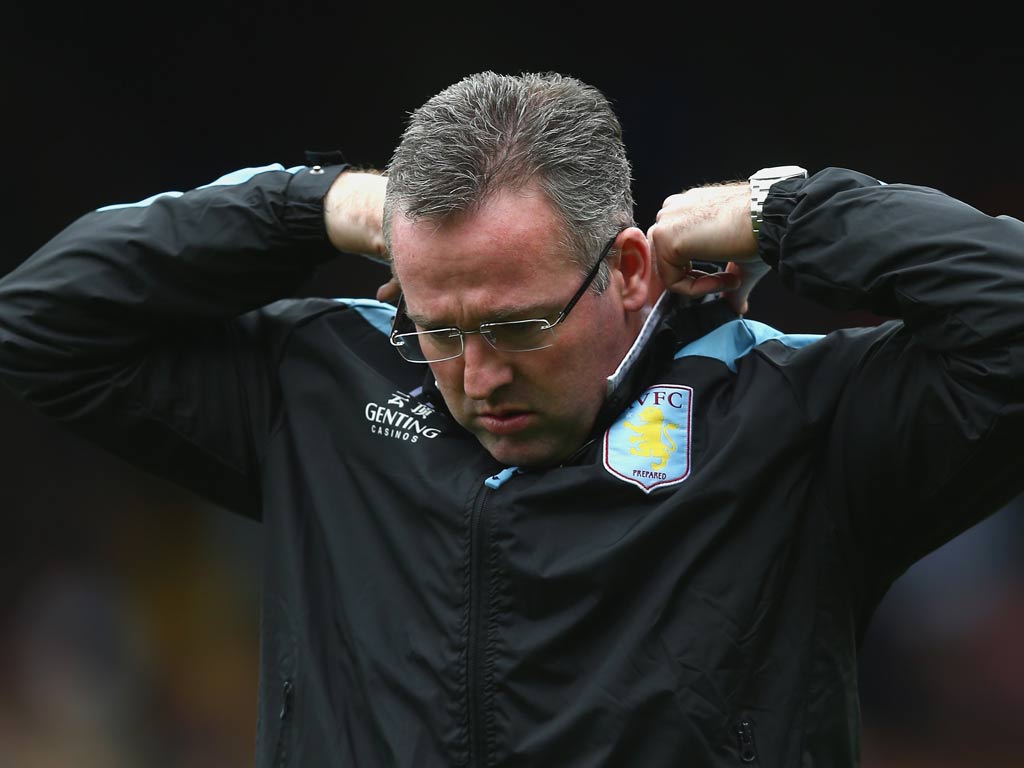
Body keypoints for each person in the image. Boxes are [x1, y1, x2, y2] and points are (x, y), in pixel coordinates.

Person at [0, 70, 1021, 767]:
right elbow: (43, 320)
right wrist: (307, 205)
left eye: (516, 324)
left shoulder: (797, 419)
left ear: (627, 268)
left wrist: (787, 213)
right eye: (433, 325)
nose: (474, 374)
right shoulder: (322, 388)